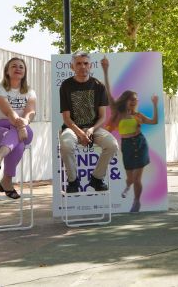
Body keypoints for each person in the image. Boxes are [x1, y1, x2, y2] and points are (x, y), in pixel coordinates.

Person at [101, 58, 159, 212]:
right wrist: (105, 70)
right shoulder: (117, 112)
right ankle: (128, 185)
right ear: (126, 100)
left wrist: (154, 104)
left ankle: (136, 202)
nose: (134, 102)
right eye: (132, 99)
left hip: (140, 144)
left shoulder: (138, 115)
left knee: (137, 178)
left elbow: (154, 121)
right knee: (130, 179)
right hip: (126, 146)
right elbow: (108, 91)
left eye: (136, 100)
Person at [59, 51, 118, 193]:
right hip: (73, 129)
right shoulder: (66, 85)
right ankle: (73, 181)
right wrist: (80, 133)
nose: (82, 66)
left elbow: (102, 117)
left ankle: (96, 178)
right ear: (72, 66)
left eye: (85, 63)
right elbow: (66, 118)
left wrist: (90, 130)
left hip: (94, 128)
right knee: (66, 145)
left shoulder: (99, 85)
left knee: (112, 145)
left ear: (90, 66)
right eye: (78, 63)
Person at [0, 57, 36, 199]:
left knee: (23, 137)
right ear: (7, 71)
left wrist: (24, 123)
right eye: (14, 66)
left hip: (20, 128)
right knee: (19, 144)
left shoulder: (30, 92)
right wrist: (21, 127)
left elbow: (30, 112)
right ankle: (7, 181)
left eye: (21, 67)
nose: (18, 68)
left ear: (25, 72)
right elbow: (8, 112)